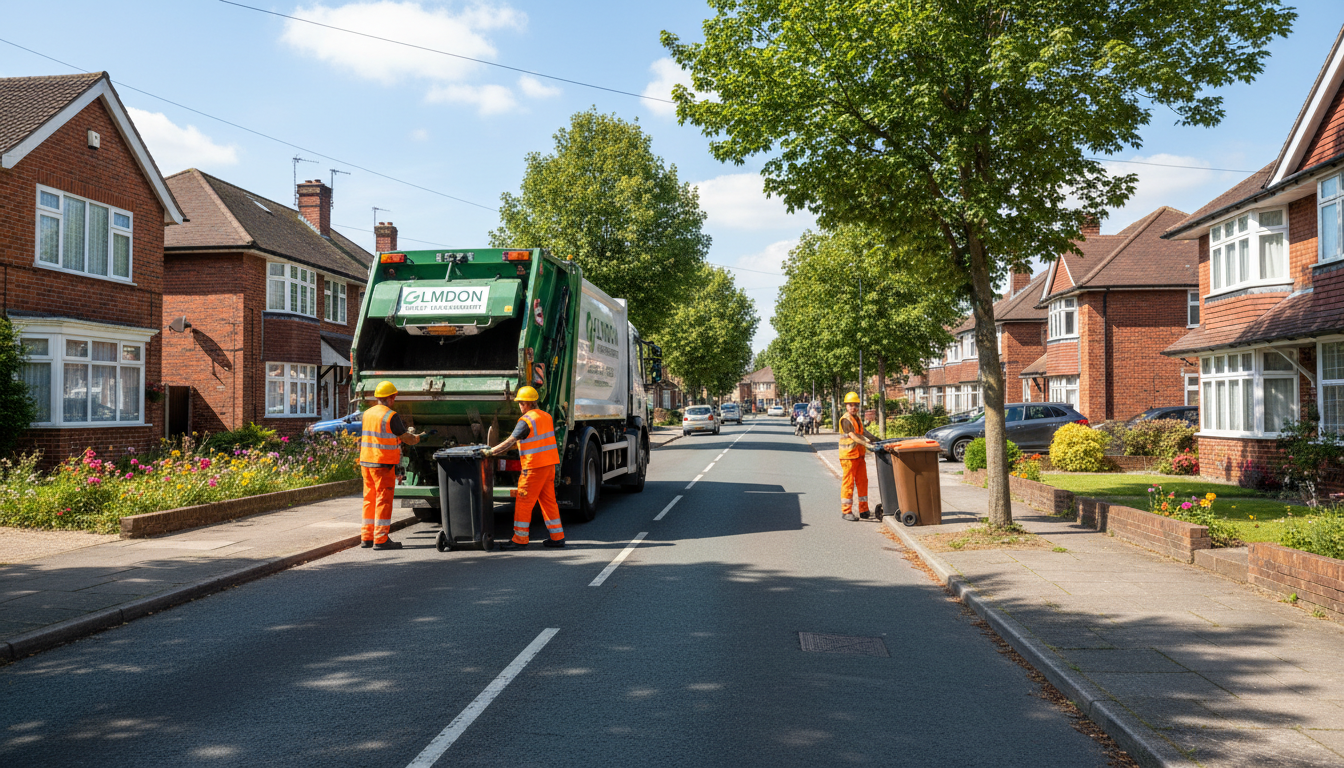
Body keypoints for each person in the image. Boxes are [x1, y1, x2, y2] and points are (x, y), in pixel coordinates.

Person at [483, 386, 565, 551]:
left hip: (533, 468)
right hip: (549, 466)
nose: (519, 406)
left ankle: (520, 539)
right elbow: (536, 441)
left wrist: (491, 452)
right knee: (549, 502)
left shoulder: (526, 420)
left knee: (523, 502)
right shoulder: (546, 417)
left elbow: (511, 440)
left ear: (526, 403)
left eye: (520, 403)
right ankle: (557, 537)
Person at [360, 381, 420, 550]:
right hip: (383, 464)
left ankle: (367, 536)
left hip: (366, 462)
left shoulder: (367, 413)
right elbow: (406, 438)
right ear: (392, 397)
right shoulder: (390, 415)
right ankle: (380, 539)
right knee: (383, 500)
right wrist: (416, 438)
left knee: (369, 499)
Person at [838, 391, 883, 521]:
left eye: (856, 405)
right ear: (846, 405)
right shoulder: (845, 419)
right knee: (849, 483)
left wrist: (876, 439)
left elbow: (863, 432)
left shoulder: (857, 418)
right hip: (848, 457)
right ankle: (846, 511)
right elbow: (853, 436)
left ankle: (864, 510)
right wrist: (867, 445)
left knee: (863, 482)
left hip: (859, 456)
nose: (854, 407)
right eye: (851, 405)